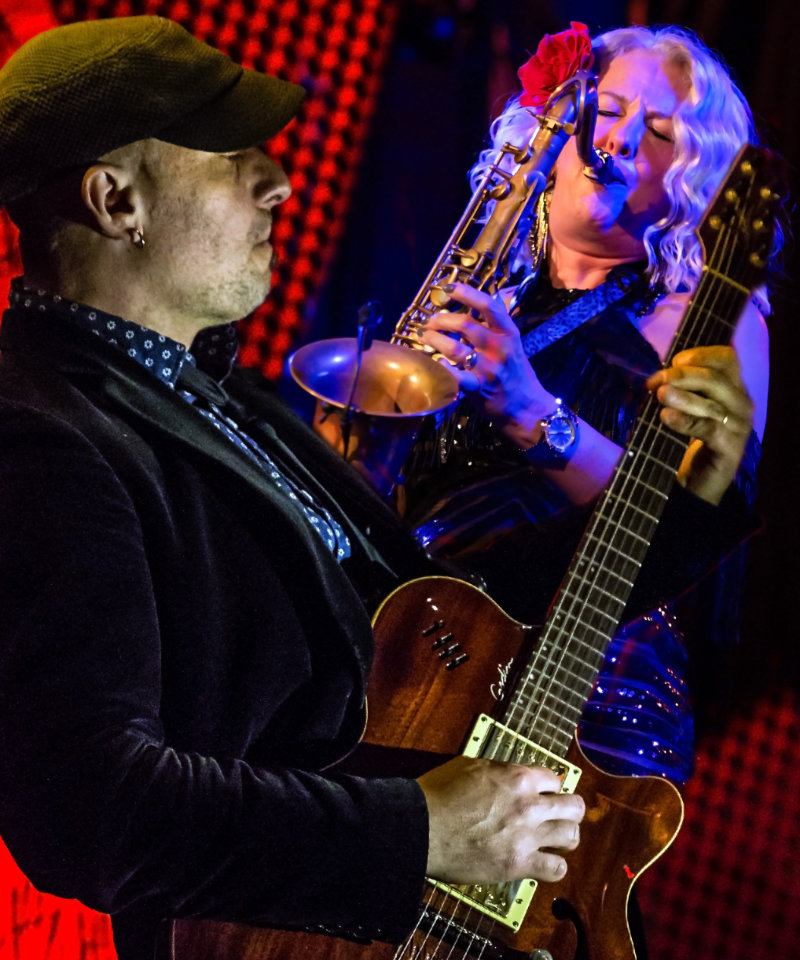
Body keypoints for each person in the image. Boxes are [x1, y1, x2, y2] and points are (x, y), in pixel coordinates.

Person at [0, 15, 588, 960]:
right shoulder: (37, 437)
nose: (276, 182)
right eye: (232, 155)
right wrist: (418, 833)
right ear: (116, 201)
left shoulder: (219, 392)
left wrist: (681, 497)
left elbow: (443, 622)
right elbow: (91, 807)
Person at [403, 22, 773, 786]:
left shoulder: (705, 316)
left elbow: (691, 531)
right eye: (605, 109)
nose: (624, 138)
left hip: (589, 692)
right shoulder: (479, 284)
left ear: (694, 174)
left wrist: (530, 410)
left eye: (663, 130)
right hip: (422, 658)